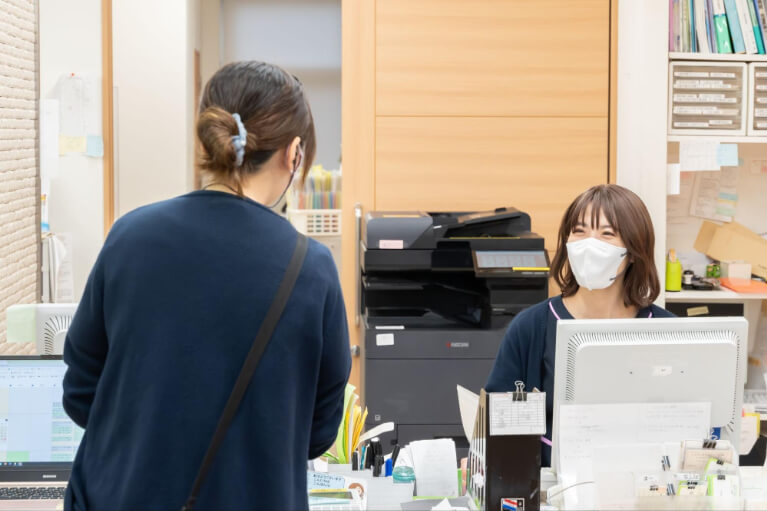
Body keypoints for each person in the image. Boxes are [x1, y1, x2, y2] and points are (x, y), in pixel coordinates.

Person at [62, 61, 351, 510]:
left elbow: (81, 396)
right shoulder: (311, 268)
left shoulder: (129, 237)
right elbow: (316, 435)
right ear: (294, 152)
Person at [485, 184, 673, 466]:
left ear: (634, 251)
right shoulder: (531, 327)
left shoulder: (666, 330)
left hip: (642, 482)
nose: (589, 244)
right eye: (579, 231)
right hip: (552, 485)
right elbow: (499, 426)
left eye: (606, 234)